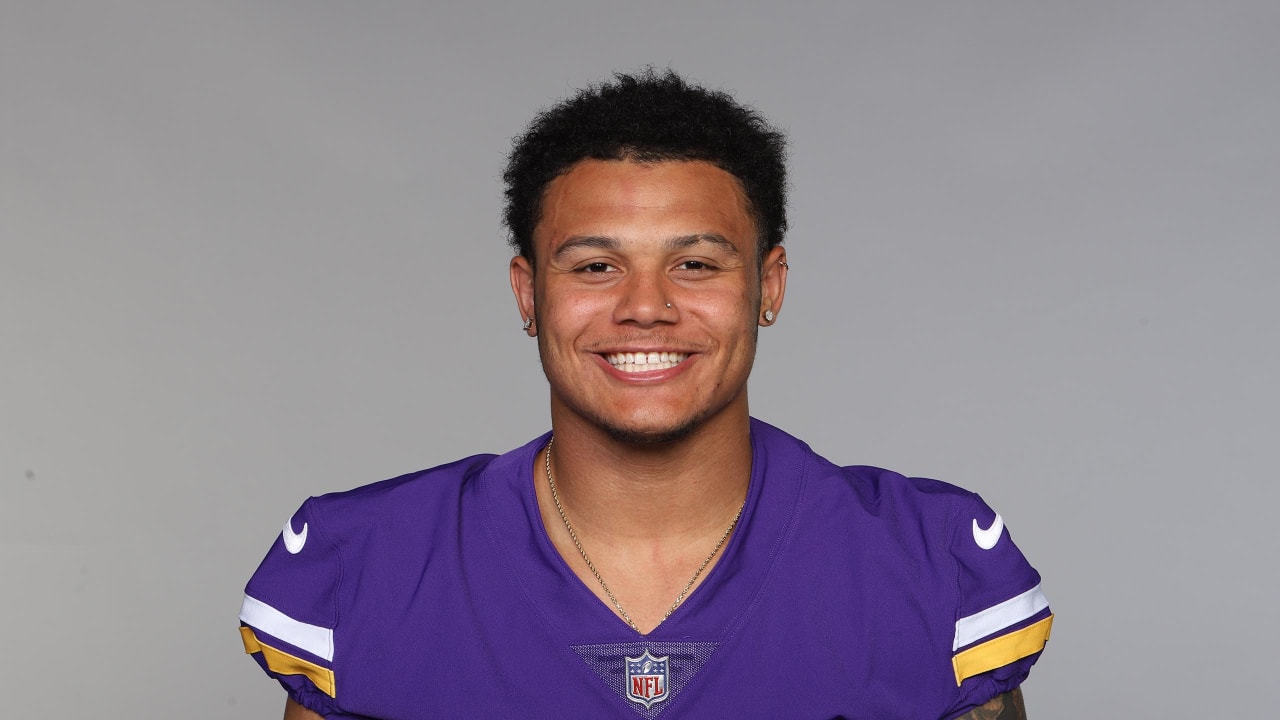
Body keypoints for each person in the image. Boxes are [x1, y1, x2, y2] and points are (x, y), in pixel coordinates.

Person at [238, 70, 1052, 720]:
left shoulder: (925, 566)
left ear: (769, 285)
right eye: (595, 266)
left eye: (696, 264)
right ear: (528, 294)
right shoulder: (377, 565)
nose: (645, 305)